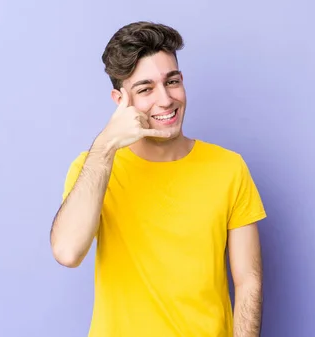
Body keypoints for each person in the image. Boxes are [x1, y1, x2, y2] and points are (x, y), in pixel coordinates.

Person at [49, 21, 266, 337]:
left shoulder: (229, 168)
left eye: (172, 81)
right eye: (145, 88)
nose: (165, 100)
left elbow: (249, 279)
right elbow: (68, 252)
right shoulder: (93, 168)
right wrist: (106, 145)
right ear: (120, 100)